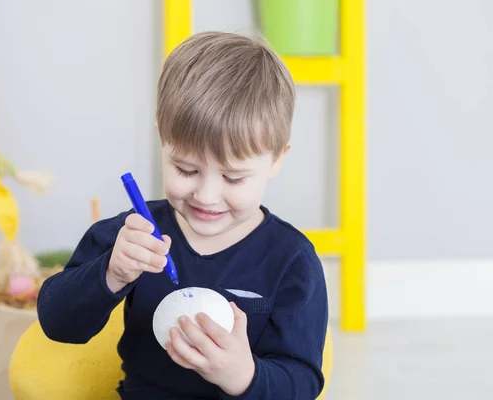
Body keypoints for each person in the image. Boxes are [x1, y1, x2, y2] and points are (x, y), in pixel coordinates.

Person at [37, 31, 328, 400]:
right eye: (186, 169)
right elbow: (58, 324)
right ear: (163, 139)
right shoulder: (134, 235)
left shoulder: (291, 261)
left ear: (277, 160)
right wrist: (110, 273)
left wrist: (242, 374)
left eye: (233, 177)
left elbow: (302, 383)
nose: (205, 195)